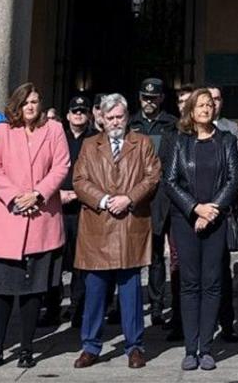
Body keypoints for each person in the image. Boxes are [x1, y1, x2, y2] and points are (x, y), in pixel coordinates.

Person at [0, 82, 71, 369]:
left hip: (41, 219)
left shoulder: (53, 130)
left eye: (35, 101)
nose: (31, 107)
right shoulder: (4, 131)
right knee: (0, 291)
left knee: (33, 292)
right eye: (26, 102)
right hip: (7, 219)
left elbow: (62, 165)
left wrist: (38, 194)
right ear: (16, 106)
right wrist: (16, 196)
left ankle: (27, 348)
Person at [72, 94, 161, 369]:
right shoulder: (89, 145)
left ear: (127, 117)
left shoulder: (142, 143)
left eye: (119, 117)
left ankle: (134, 346)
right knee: (96, 290)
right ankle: (91, 345)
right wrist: (103, 200)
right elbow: (79, 179)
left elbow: (152, 176)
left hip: (130, 224)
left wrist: (129, 198)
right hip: (98, 225)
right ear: (102, 118)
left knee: (131, 291)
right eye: (110, 117)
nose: (114, 122)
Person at [161, 88, 238, 370]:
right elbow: (169, 181)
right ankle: (190, 348)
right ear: (191, 111)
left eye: (210, 105)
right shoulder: (179, 142)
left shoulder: (227, 141)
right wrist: (195, 208)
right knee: (189, 283)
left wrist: (211, 211)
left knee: (212, 283)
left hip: (215, 221)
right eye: (200, 105)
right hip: (185, 221)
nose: (206, 109)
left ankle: (206, 347)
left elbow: (233, 180)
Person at [128, 77, 179, 329]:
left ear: (161, 98)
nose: (149, 102)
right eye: (145, 98)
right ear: (140, 98)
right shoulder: (131, 124)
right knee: (133, 254)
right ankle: (129, 304)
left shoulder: (171, 125)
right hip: (135, 196)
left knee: (158, 253)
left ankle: (158, 305)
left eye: (154, 98)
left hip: (161, 197)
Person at [48, 95, 96, 331]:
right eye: (74, 111)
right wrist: (56, 195)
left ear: (89, 115)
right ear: (67, 115)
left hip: (82, 209)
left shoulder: (95, 140)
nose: (78, 115)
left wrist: (77, 194)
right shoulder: (57, 138)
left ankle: (78, 310)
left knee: (80, 264)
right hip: (56, 207)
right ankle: (52, 309)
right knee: (54, 261)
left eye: (82, 111)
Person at [209, 85, 238, 344]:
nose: (213, 104)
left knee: (223, 270)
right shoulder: (188, 131)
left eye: (217, 99)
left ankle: (227, 323)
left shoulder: (230, 130)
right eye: (209, 100)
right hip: (195, 209)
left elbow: (234, 173)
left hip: (222, 208)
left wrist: (217, 204)